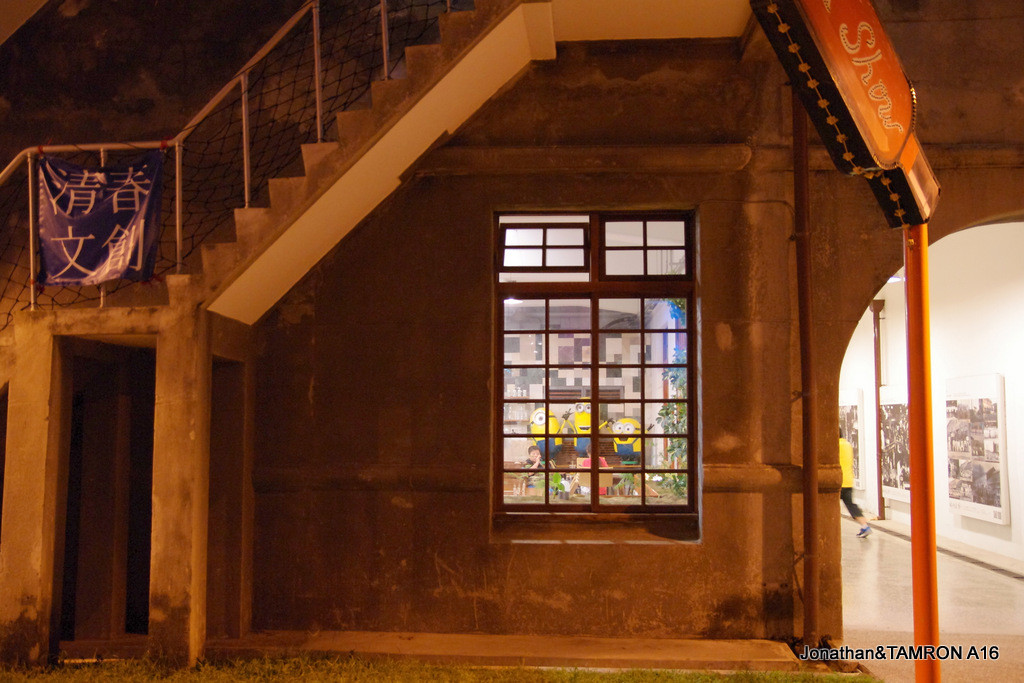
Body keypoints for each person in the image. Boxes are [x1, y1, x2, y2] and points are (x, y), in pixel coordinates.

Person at [840, 428, 871, 538]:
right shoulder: (847, 444)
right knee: (851, 505)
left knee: (828, 506)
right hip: (848, 480)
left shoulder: (836, 446)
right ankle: (865, 526)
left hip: (838, 481)